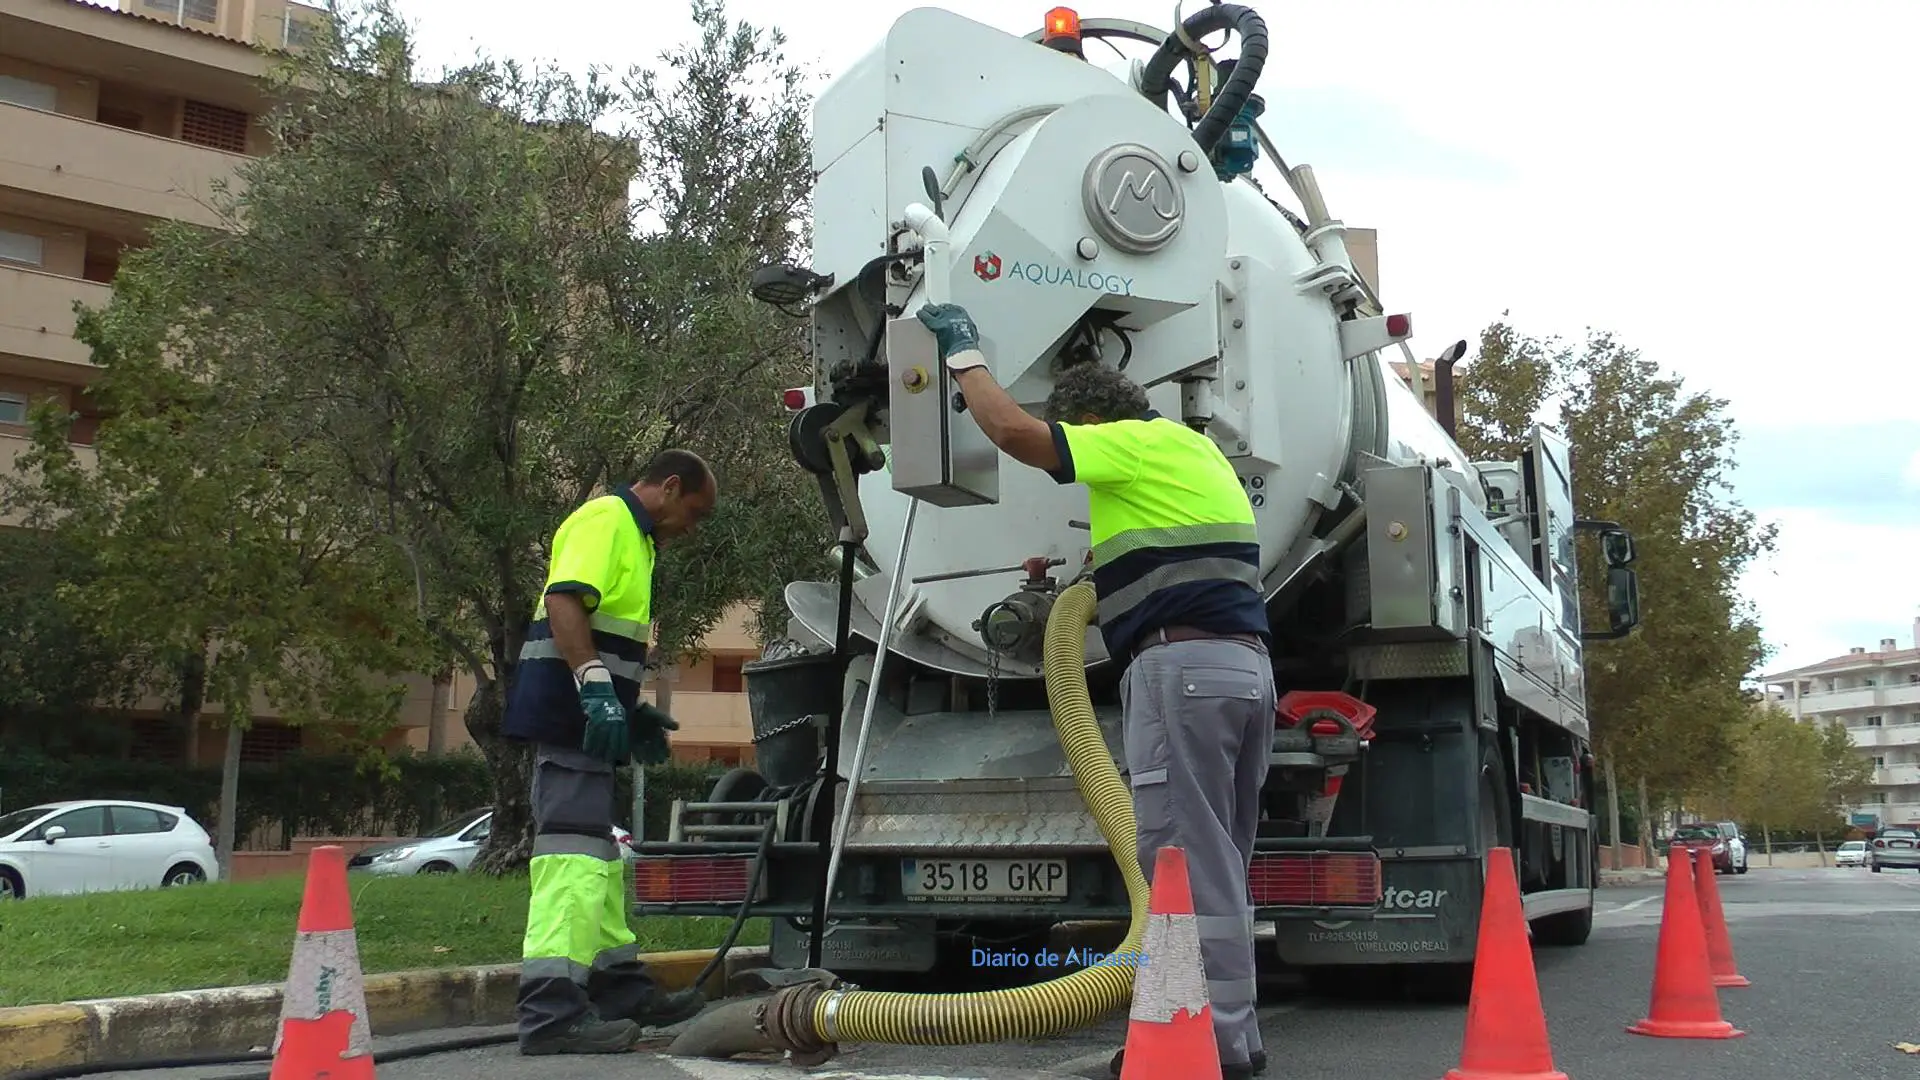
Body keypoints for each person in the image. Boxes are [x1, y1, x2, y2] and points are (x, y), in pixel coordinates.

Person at [917, 303, 1275, 1080]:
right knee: (1219, 860)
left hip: (1180, 667)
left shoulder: (1130, 446)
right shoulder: (1195, 451)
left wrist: (964, 356)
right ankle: (1233, 1036)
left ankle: (1197, 1043)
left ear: (1089, 422)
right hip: (1244, 669)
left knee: (1177, 860)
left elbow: (1015, 434)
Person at [502, 449, 720, 1055]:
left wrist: (626, 706)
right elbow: (564, 601)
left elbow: (603, 634)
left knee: (596, 860)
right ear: (669, 487)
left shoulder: (637, 539)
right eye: (694, 512)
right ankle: (551, 1014)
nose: (692, 528)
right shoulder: (606, 519)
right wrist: (596, 687)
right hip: (570, 719)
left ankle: (620, 988)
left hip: (586, 723)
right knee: (571, 864)